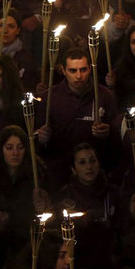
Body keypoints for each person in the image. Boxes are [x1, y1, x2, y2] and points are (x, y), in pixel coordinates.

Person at [36, 48, 118, 186]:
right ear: (63, 70)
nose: (79, 76)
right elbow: (36, 138)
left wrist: (108, 133)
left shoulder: (104, 96)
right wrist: (41, 137)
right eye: (73, 71)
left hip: (94, 173)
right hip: (59, 173)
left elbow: (116, 138)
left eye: (83, 70)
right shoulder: (49, 97)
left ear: (90, 69)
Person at [0, 125, 51, 269]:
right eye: (9, 147)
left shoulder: (37, 174)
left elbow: (46, 212)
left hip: (26, 243)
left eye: (20, 147)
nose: (15, 153)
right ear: (1, 149)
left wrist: (44, 207)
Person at [55, 143, 122, 269]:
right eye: (82, 162)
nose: (89, 167)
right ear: (74, 168)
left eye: (92, 161)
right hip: (78, 263)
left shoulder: (113, 193)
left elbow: (121, 226)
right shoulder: (66, 196)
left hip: (107, 263)